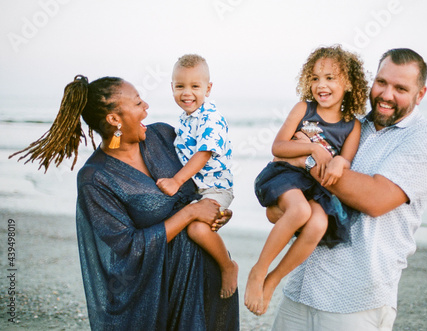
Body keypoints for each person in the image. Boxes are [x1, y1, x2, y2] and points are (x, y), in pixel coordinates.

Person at [9, 75, 239, 330]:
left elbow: (201, 180)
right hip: (158, 293)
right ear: (114, 119)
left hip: (208, 274)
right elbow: (128, 248)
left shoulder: (163, 136)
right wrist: (189, 213)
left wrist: (216, 211)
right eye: (138, 103)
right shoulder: (96, 179)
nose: (147, 107)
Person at [270, 48, 427, 330]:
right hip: (301, 288)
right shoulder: (350, 126)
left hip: (355, 300)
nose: (387, 95)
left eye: (400, 88)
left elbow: (376, 199)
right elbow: (283, 183)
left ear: (420, 94)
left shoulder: (426, 140)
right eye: (381, 83)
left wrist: (307, 158)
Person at [245, 45, 369, 316]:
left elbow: (345, 160)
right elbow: (278, 147)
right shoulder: (304, 109)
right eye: (315, 78)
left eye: (329, 78)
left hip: (315, 186)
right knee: (299, 211)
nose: (320, 85)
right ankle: (259, 270)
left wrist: (337, 161)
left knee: (318, 222)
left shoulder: (353, 125)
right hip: (285, 175)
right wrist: (313, 148)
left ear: (348, 83)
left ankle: (274, 279)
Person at [156, 54, 238, 299]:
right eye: (180, 86)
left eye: (195, 86)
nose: (186, 93)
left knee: (197, 231)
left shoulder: (210, 118)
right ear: (172, 87)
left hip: (215, 188)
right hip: (197, 189)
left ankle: (227, 266)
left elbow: (203, 154)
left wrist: (176, 181)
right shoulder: (186, 119)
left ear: (208, 88)